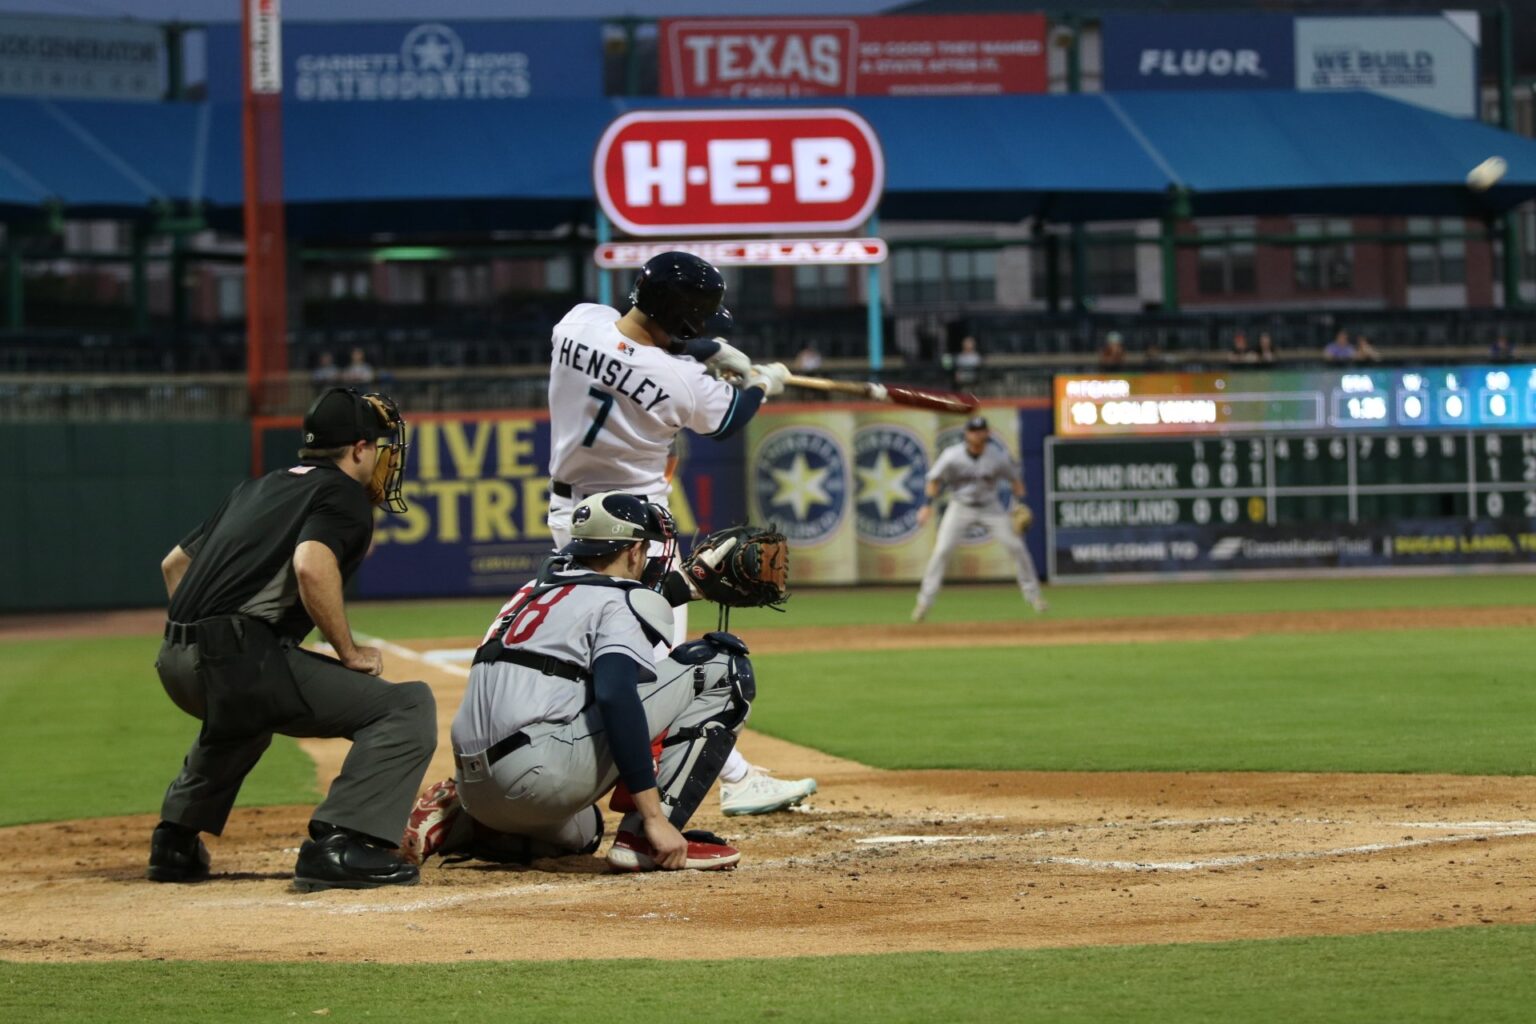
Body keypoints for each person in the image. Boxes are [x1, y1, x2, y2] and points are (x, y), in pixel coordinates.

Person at [544, 250, 815, 816]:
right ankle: (716, 784)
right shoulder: (681, 382)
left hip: (571, 518)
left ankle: (726, 771)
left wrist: (707, 351)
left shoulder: (577, 321)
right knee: (671, 660)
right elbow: (730, 417)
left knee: (603, 650)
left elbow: (635, 343)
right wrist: (763, 383)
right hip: (638, 531)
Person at [148, 388, 436, 891]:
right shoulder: (342, 494)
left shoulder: (256, 488)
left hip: (174, 658)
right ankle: (342, 843)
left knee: (248, 711)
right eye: (378, 445)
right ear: (360, 449)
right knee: (406, 708)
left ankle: (174, 842)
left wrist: (202, 643)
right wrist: (348, 652)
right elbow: (311, 564)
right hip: (234, 660)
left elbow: (174, 564)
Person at [402, 493, 758, 871]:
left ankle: (461, 820)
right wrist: (652, 816)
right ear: (635, 550)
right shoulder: (618, 601)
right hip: (537, 777)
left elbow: (597, 602)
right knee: (724, 667)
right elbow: (617, 696)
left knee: (586, 832)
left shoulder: (531, 591)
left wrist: (683, 585)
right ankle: (645, 835)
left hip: (476, 786)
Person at [912, 415, 1044, 622]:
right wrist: (927, 507)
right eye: (973, 430)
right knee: (942, 550)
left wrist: (1019, 503)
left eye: (980, 430)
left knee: (1017, 547)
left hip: (990, 508)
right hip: (960, 506)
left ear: (987, 433)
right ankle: (924, 602)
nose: (977, 434)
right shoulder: (952, 456)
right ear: (966, 434)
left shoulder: (997, 457)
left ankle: (1034, 596)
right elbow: (934, 480)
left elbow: (1015, 480)